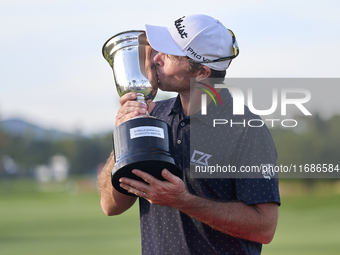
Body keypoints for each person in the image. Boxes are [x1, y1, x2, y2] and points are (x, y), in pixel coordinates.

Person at [98, 14, 280, 255]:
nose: (155, 59)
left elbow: (264, 227)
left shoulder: (246, 130)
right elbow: (110, 206)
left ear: (202, 72)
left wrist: (182, 200)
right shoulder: (154, 117)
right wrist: (123, 133)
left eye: (169, 55)